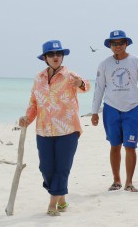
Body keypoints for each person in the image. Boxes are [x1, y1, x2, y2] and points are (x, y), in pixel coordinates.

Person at [19, 40, 90, 216]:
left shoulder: (70, 75)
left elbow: (86, 86)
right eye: (51, 54)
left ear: (63, 56)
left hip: (68, 129)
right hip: (44, 130)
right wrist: (27, 118)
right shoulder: (38, 78)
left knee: (62, 167)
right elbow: (34, 103)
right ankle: (62, 198)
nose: (55, 57)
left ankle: (52, 204)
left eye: (58, 53)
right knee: (46, 168)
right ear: (45, 58)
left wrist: (79, 83)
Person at [90, 30, 138, 192]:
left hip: (132, 109)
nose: (118, 46)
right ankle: (116, 181)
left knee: (130, 146)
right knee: (114, 146)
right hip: (111, 109)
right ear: (110, 46)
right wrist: (94, 112)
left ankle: (129, 182)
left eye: (121, 43)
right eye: (114, 43)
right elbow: (99, 88)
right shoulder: (104, 64)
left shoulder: (136, 61)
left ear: (126, 44)